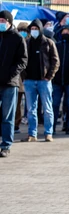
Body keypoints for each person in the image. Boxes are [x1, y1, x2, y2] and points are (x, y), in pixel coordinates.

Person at [21, 19, 60, 142]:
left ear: (40, 29)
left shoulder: (48, 43)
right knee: (31, 110)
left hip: (44, 81)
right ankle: (32, 134)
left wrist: (49, 76)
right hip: (29, 81)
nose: (34, 31)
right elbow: (20, 60)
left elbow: (55, 61)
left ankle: (48, 133)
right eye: (32, 29)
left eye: (36, 29)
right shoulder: (26, 43)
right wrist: (24, 76)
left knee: (47, 108)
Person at [0, 10, 28, 157]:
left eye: (3, 21)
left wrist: (10, 74)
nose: (1, 23)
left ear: (9, 22)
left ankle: (5, 145)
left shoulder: (17, 38)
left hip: (10, 84)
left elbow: (22, 61)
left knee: (7, 116)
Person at [15, 22, 30, 134]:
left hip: (29, 78)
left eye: (25, 31)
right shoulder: (16, 42)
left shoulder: (30, 43)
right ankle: (16, 124)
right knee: (17, 104)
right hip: (18, 79)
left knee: (31, 104)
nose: (23, 33)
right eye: (20, 30)